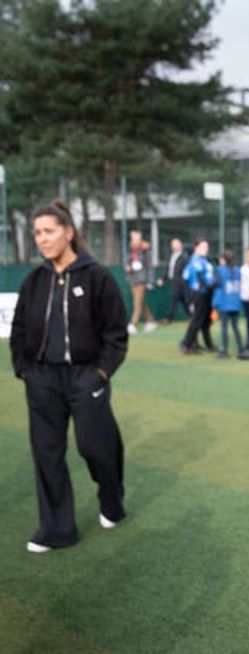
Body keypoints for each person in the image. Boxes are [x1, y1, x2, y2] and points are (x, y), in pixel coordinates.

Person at [9, 199, 128, 553]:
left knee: (95, 446)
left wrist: (101, 373)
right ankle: (57, 529)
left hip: (86, 376)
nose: (42, 240)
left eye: (48, 231)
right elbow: (17, 330)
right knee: (46, 453)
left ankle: (112, 499)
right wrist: (24, 369)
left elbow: (116, 333)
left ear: (69, 232)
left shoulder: (97, 277)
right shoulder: (34, 280)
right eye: (37, 234)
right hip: (42, 378)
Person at [179, 237, 215, 355]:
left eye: (207, 247)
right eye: (203, 247)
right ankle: (187, 344)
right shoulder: (195, 261)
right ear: (196, 248)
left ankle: (208, 344)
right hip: (199, 294)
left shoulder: (205, 260)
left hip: (207, 293)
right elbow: (192, 278)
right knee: (197, 320)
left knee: (206, 321)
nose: (206, 249)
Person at [213, 250, 244, 359]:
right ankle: (241, 349)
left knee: (224, 328)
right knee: (236, 327)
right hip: (235, 303)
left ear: (223, 259)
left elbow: (215, 283)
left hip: (224, 303)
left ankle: (224, 351)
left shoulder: (220, 270)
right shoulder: (237, 270)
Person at [124, 229, 157, 334]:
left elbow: (150, 267)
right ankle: (151, 321)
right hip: (133, 280)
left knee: (137, 303)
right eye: (132, 238)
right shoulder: (130, 250)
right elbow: (126, 263)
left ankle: (133, 324)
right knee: (141, 303)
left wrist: (150, 282)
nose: (134, 240)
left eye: (136, 237)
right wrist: (129, 267)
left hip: (142, 280)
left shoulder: (146, 251)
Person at [157, 238, 189, 324]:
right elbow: (169, 270)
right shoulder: (171, 256)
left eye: (176, 244)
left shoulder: (184, 256)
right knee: (184, 300)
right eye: (173, 244)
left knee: (176, 300)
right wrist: (163, 279)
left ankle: (168, 318)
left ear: (180, 245)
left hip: (181, 283)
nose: (174, 245)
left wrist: (183, 281)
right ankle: (193, 316)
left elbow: (185, 270)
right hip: (174, 282)